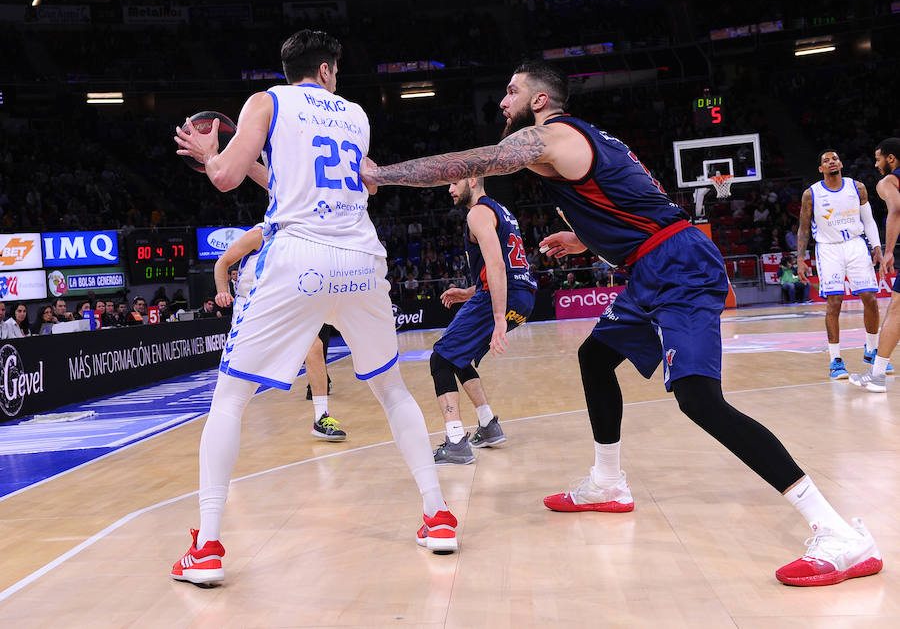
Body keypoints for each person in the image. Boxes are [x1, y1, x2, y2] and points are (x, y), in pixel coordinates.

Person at [360, 61, 882, 587]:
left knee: (700, 399)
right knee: (595, 356)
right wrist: (584, 240)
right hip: (649, 266)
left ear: (540, 101)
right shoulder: (589, 145)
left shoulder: (555, 135)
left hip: (678, 266)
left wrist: (381, 175)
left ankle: (838, 533)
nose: (502, 100)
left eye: (511, 90)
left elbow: (478, 161)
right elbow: (635, 202)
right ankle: (608, 483)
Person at [170, 29, 457, 585]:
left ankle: (206, 547)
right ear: (327, 70)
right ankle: (437, 514)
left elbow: (226, 177)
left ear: (289, 68)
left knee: (229, 399)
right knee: (392, 388)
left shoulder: (267, 101)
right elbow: (361, 185)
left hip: (297, 259)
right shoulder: (354, 114)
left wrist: (211, 154)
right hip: (360, 258)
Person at [430, 177, 536, 464]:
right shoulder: (500, 211)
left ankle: (455, 442)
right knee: (458, 358)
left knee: (439, 360)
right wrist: (467, 292)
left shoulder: (477, 212)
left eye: (454, 182)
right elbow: (508, 268)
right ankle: (488, 425)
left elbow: (497, 265)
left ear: (473, 179)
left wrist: (499, 317)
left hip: (503, 297)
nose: (449, 189)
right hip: (524, 298)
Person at [213, 224, 346, 441]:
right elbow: (222, 263)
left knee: (315, 347)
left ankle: (321, 418)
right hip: (252, 309)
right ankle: (221, 418)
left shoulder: (301, 238)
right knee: (234, 377)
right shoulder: (258, 234)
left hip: (282, 307)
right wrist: (222, 291)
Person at [797, 150, 889, 379]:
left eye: (835, 159)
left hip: (855, 244)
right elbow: (803, 228)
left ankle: (872, 349)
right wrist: (800, 258)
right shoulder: (811, 194)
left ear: (841, 163)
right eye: (826, 161)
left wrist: (877, 247)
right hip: (828, 248)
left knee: (870, 297)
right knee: (834, 302)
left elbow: (868, 220)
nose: (831, 162)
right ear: (821, 169)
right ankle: (836, 360)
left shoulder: (856, 187)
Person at [851, 137, 900, 392]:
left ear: (891, 159)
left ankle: (878, 375)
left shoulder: (888, 181)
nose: (876, 163)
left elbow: (896, 209)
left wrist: (889, 250)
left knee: (896, 311)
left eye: (879, 158)